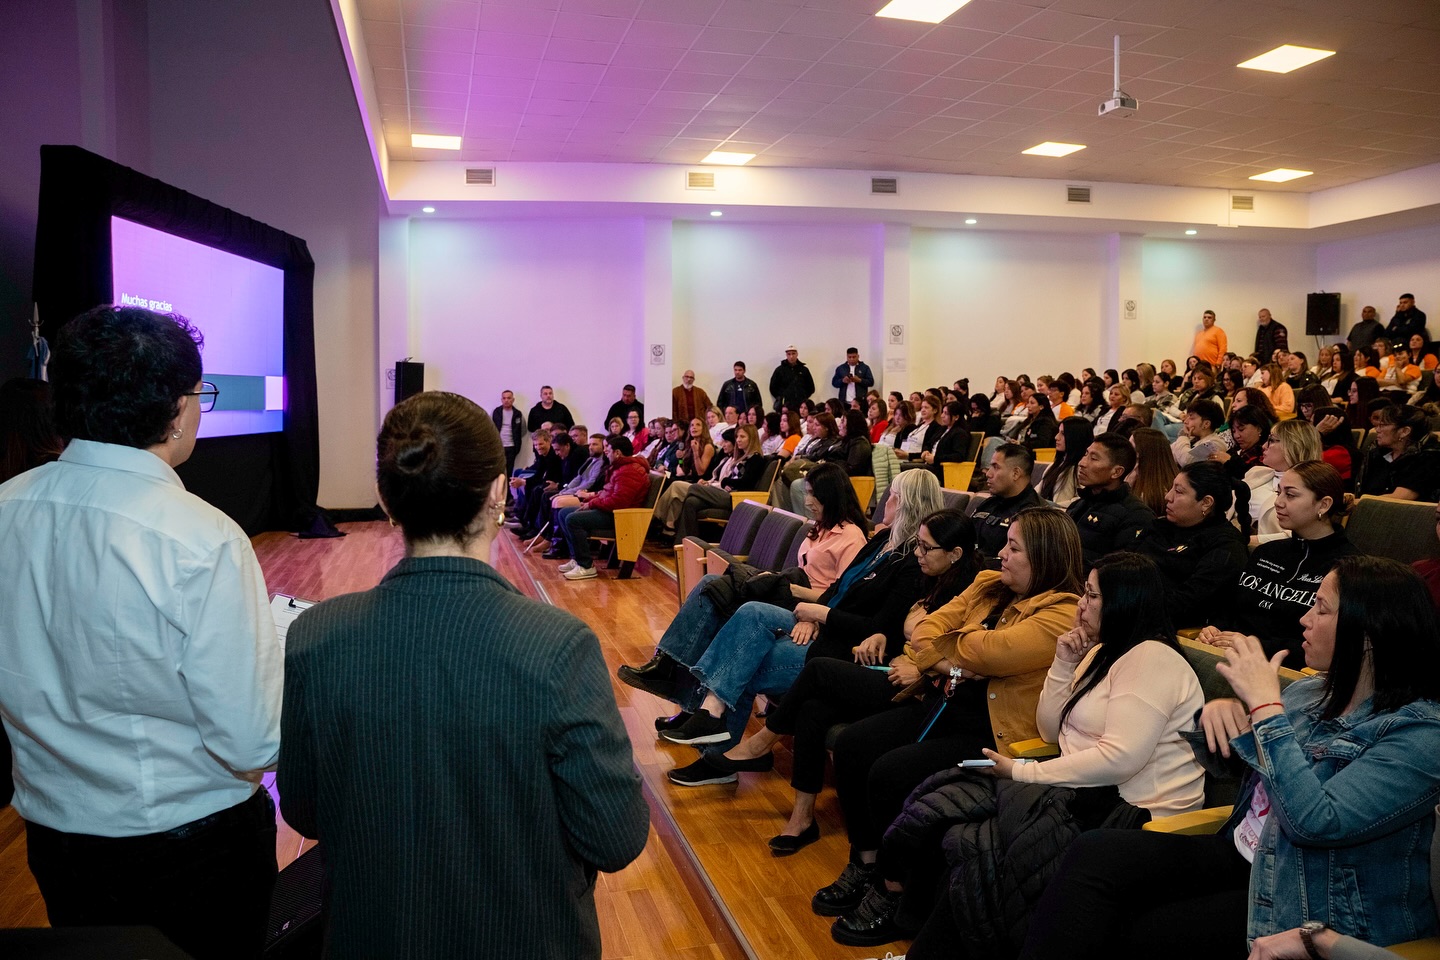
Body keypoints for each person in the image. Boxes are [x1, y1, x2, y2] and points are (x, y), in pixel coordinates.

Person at [279, 391, 647, 960]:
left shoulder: (315, 636)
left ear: (385, 499)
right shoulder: (559, 647)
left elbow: (303, 809)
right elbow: (614, 837)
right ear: (500, 491)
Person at [0, 305, 280, 959]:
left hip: (54, 831)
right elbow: (249, 740)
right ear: (180, 410)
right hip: (189, 844)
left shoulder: (5, 509)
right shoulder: (200, 537)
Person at [1018, 555, 1440, 960]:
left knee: (1148, 932)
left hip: (1319, 896)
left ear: (1366, 634)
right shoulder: (1310, 693)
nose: (1304, 619)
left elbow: (1316, 822)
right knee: (1095, 854)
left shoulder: (1419, 734)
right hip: (1247, 852)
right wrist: (1220, 723)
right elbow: (1245, 773)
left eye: (1321, 609)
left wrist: (1264, 710)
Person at [840, 552, 1206, 954]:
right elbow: (1051, 729)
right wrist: (1064, 664)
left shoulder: (1151, 658)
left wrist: (1021, 772)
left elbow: (1119, 760)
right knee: (942, 803)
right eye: (1084, 592)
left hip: (1132, 813)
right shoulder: (1102, 651)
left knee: (974, 845)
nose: (1081, 604)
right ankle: (901, 911)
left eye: (1092, 595)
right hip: (1076, 791)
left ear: (1126, 602)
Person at [811, 509, 1083, 930]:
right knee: (853, 745)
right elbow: (922, 630)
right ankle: (865, 861)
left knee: (889, 772)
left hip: (994, 736)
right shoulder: (988, 583)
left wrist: (952, 655)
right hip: (943, 704)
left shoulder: (1062, 611)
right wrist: (956, 660)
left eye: (1014, 547)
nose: (1001, 555)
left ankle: (893, 888)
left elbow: (992, 653)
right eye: (1004, 544)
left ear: (1045, 557)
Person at [670, 482, 962, 796]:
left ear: (907, 504)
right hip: (827, 624)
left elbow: (880, 628)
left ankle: (720, 756)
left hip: (846, 648)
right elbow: (841, 588)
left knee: (746, 658)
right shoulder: (881, 541)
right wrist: (816, 613)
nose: (884, 500)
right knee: (752, 612)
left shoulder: (911, 564)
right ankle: (705, 710)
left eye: (893, 495)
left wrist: (820, 617)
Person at [618, 462, 870, 746]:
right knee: (710, 587)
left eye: (814, 494)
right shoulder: (820, 527)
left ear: (832, 496)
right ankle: (668, 667)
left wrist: (811, 616)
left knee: (734, 606)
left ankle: (688, 697)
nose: (807, 500)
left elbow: (843, 595)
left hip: (806, 607)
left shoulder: (851, 537)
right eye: (808, 493)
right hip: (792, 595)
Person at [1199, 461, 1357, 669]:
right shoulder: (1267, 552)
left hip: (1284, 672)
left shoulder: (1348, 569)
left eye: (1290, 495)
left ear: (1324, 505)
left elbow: (1330, 648)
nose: (1278, 502)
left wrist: (1256, 646)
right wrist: (1214, 629)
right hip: (1226, 657)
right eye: (1278, 492)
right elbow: (1229, 606)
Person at [1136, 461, 1249, 627]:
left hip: (1164, 629)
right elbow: (1121, 565)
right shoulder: (1159, 526)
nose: (1168, 497)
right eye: (1172, 488)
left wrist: (1127, 607)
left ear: (1206, 502)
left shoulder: (1226, 546)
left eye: (1179, 492)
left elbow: (1185, 604)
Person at [555, 434, 651, 580]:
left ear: (617, 453)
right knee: (563, 513)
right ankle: (577, 559)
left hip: (620, 517)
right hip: (612, 511)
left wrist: (591, 503)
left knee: (573, 519)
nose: (606, 453)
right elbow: (608, 492)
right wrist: (591, 498)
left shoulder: (629, 471)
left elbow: (619, 502)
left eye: (609, 450)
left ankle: (586, 566)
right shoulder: (621, 468)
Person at [1066, 433, 1154, 568]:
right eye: (1086, 454)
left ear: (1117, 472)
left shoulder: (1136, 516)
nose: (1082, 463)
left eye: (1094, 458)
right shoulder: (1080, 504)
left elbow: (1117, 570)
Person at [672, 423, 768, 540]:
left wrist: (726, 482)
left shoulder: (756, 458)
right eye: (737, 436)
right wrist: (727, 482)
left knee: (694, 488)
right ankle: (687, 543)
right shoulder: (742, 457)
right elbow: (733, 480)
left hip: (735, 498)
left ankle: (674, 525)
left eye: (742, 437)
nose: (738, 440)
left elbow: (746, 483)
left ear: (751, 438)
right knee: (691, 502)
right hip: (727, 493)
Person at [1358, 403, 1440, 501]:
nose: (1377, 430)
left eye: (1382, 425)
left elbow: (1400, 498)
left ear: (1404, 431)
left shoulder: (1429, 457)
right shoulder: (1377, 453)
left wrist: (1357, 503)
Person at [1039, 416, 1094, 506]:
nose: (1057, 437)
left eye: (1063, 433)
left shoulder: (1083, 470)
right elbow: (1037, 493)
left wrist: (1054, 506)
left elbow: (1083, 501)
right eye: (1058, 432)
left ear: (1076, 437)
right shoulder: (1055, 465)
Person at [1127, 426, 1179, 517]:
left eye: (1131, 448)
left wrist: (1126, 487)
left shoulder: (1162, 493)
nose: (1126, 452)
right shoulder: (1134, 476)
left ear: (1141, 455)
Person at [1171, 398, 1227, 466]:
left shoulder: (1216, 444)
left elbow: (1187, 462)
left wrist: (1184, 436)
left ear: (1206, 424)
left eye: (1191, 418)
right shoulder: (1192, 439)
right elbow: (1168, 454)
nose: (1185, 421)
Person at [492, 388, 525, 491]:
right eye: (504, 398)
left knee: (509, 472)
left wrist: (517, 445)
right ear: (501, 400)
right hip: (499, 446)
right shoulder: (497, 412)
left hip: (511, 447)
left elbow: (522, 430)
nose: (506, 400)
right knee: (498, 471)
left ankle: (508, 495)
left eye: (509, 398)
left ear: (513, 399)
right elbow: (491, 427)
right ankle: (498, 494)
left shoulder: (517, 413)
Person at [771, 344, 816, 412]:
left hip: (800, 407)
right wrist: (782, 398)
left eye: (793, 353)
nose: (791, 356)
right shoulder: (779, 370)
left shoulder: (804, 370)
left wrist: (803, 397)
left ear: (797, 354)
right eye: (789, 354)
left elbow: (811, 388)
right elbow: (773, 388)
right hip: (785, 406)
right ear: (786, 355)